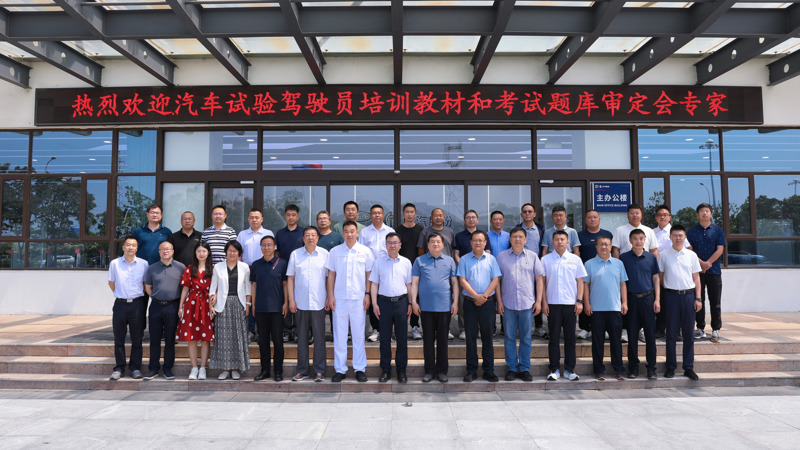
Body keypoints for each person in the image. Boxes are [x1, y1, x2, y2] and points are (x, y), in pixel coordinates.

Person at [326, 221, 376, 382]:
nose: (349, 234)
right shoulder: (335, 251)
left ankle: (359, 368)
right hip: (339, 299)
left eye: (352, 231)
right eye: (346, 231)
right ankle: (340, 369)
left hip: (359, 299)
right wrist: (330, 296)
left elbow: (369, 274)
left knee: (358, 335)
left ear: (357, 233)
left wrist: (367, 294)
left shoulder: (365, 251)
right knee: (339, 336)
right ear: (342, 233)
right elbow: (331, 275)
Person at [495, 226, 543, 382]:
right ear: (510, 239)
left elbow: (539, 279)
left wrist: (539, 301)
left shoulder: (533, 256)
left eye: (520, 237)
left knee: (526, 338)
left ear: (525, 239)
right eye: (514, 236)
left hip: (527, 304)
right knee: (509, 337)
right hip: (508, 304)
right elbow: (497, 281)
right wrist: (499, 301)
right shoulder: (501, 257)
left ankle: (524, 368)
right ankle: (511, 368)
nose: (517, 239)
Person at [410, 233, 458, 383]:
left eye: (438, 242)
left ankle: (442, 371)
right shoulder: (419, 260)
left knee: (443, 340)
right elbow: (414, 283)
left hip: (444, 307)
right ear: (428, 244)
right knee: (428, 340)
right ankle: (429, 370)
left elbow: (455, 283)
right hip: (426, 307)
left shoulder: (449, 260)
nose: (435, 244)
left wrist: (455, 302)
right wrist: (413, 302)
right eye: (432, 242)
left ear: (443, 245)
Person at [457, 230, 502, 383]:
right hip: (470, 302)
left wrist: (484, 297)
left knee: (487, 336)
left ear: (485, 243)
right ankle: (471, 370)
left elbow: (495, 279)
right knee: (470, 337)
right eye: (475, 240)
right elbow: (462, 280)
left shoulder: (491, 259)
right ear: (471, 242)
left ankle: (489, 370)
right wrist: (476, 296)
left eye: (480, 240)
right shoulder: (464, 259)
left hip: (487, 303)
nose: (478, 243)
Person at [541, 230, 587, 381]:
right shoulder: (545, 260)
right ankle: (554, 369)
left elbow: (580, 281)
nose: (560, 242)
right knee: (553, 338)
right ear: (552, 242)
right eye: (557, 239)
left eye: (562, 239)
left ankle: (569, 369)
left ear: (568, 242)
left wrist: (579, 301)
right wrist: (544, 302)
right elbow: (542, 283)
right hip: (552, 304)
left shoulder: (575, 259)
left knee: (570, 338)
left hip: (570, 304)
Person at [658, 224, 702, 381]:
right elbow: (661, 277)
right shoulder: (664, 255)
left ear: (685, 237)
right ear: (670, 237)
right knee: (670, 333)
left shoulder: (691, 255)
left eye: (680, 235)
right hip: (671, 297)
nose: (678, 238)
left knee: (689, 334)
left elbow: (696, 278)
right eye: (675, 235)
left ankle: (688, 367)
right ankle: (670, 366)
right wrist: (669, 289)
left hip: (688, 297)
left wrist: (698, 298)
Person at [287, 227, 330, 382]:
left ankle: (319, 371)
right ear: (303, 237)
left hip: (319, 301)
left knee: (319, 338)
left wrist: (329, 297)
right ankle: (302, 371)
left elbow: (328, 278)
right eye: (307, 235)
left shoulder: (325, 254)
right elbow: (290, 278)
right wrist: (291, 300)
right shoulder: (295, 254)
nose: (310, 238)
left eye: (313, 235)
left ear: (318, 238)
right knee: (302, 338)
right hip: (300, 302)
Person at [612, 203, 658, 343]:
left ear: (641, 214)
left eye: (637, 213)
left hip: (644, 268)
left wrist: (652, 267)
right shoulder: (620, 230)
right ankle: (626, 330)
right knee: (628, 303)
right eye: (632, 213)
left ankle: (642, 331)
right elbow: (615, 250)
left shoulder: (648, 231)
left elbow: (654, 250)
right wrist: (617, 268)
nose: (634, 215)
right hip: (626, 267)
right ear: (627, 215)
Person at [583, 236, 628, 381]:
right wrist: (587, 303)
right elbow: (585, 285)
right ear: (596, 247)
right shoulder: (589, 264)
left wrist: (624, 302)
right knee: (597, 342)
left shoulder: (618, 264)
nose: (604, 247)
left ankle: (618, 369)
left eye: (607, 244)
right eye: (601, 244)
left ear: (611, 247)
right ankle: (599, 370)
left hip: (614, 308)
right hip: (596, 309)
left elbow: (623, 284)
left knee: (616, 341)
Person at [370, 232, 412, 383]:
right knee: (384, 339)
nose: (392, 245)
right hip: (384, 303)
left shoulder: (406, 262)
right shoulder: (378, 262)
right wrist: (374, 304)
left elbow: (409, 285)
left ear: (400, 245)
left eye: (395, 242)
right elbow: (374, 284)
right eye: (389, 242)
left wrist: (410, 303)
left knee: (402, 338)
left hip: (401, 302)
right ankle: (385, 369)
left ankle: (401, 370)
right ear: (385, 245)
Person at [620, 229, 661, 380]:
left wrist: (657, 299)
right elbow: (622, 282)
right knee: (632, 335)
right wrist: (624, 302)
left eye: (641, 238)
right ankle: (633, 367)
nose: (638, 241)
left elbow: (656, 278)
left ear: (645, 240)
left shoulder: (651, 257)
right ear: (630, 241)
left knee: (650, 336)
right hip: (631, 300)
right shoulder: (624, 258)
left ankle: (652, 368)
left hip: (648, 299)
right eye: (635, 238)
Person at [107, 236, 148, 380]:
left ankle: (135, 368)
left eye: (133, 245)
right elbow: (111, 283)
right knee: (119, 338)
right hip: (120, 304)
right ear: (123, 247)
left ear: (137, 248)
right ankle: (119, 368)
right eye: (128, 245)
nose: (131, 247)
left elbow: (145, 284)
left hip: (137, 304)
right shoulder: (115, 263)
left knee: (137, 338)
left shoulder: (143, 264)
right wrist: (121, 295)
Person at [209, 241, 252, 380]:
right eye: (230, 250)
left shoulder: (244, 267)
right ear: (226, 252)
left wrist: (248, 304)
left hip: (239, 304)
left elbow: (248, 288)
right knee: (223, 338)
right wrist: (211, 304)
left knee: (238, 337)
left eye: (235, 251)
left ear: (239, 253)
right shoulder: (218, 267)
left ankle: (235, 368)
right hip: (222, 305)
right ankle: (225, 369)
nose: (232, 253)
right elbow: (213, 288)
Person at [143, 241, 185, 381]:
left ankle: (167, 368)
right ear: (159, 252)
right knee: (154, 339)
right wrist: (157, 298)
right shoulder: (152, 268)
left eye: (168, 249)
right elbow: (148, 287)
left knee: (170, 339)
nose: (165, 251)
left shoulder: (181, 267)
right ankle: (153, 368)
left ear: (173, 251)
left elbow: (185, 288)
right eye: (162, 249)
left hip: (173, 307)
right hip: (156, 306)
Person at [250, 235, 288, 382]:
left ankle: (278, 371)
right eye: (264, 245)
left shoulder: (281, 263)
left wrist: (286, 303)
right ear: (260, 247)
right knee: (263, 342)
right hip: (260, 308)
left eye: (269, 245)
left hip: (277, 308)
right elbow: (254, 285)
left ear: (274, 247)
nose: (266, 248)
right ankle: (265, 370)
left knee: (278, 341)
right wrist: (253, 304)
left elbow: (285, 284)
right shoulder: (256, 265)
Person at [687, 202, 726, 342]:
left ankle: (716, 329)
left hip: (714, 271)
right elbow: (689, 251)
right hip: (697, 272)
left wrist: (707, 263)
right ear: (697, 214)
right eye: (702, 211)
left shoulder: (717, 231)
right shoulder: (691, 232)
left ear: (711, 214)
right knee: (698, 300)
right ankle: (700, 328)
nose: (704, 213)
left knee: (715, 301)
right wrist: (701, 264)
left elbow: (720, 249)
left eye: (707, 211)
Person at [453, 210, 493, 340]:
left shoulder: (483, 235)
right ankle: (464, 329)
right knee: (464, 301)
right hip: (465, 273)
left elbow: (488, 252)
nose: (471, 219)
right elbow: (456, 254)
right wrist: (464, 267)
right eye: (468, 217)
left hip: (482, 272)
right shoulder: (459, 236)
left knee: (482, 299)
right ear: (465, 220)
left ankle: (481, 329)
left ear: (477, 219)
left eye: (473, 217)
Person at [177, 242, 214, 380]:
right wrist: (181, 306)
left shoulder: (214, 269)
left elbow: (217, 287)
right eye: (199, 251)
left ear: (208, 253)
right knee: (191, 338)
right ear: (195, 253)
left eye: (204, 251)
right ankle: (194, 367)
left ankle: (203, 368)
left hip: (207, 303)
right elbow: (185, 288)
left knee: (205, 338)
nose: (201, 254)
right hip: (191, 304)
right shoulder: (189, 269)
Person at [359, 204, 395, 342]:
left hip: (387, 269)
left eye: (379, 213)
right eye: (374, 213)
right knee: (373, 298)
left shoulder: (390, 231)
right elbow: (361, 252)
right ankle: (376, 329)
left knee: (387, 299)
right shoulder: (365, 232)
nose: (377, 215)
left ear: (383, 215)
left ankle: (387, 330)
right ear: (370, 216)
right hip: (371, 270)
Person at [238, 208, 274, 342]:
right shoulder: (242, 234)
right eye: (252, 217)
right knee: (249, 298)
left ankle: (263, 330)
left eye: (257, 217)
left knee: (263, 298)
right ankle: (250, 330)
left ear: (262, 219)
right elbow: (238, 253)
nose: (254, 220)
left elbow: (273, 252)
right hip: (247, 269)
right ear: (248, 219)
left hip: (265, 268)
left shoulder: (268, 233)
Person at [576, 209, 613, 340]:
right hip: (585, 271)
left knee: (602, 298)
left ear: (599, 219)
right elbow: (577, 253)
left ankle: (605, 328)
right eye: (589, 217)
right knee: (585, 298)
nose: (592, 219)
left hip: (603, 271)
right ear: (585, 220)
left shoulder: (607, 234)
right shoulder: (580, 235)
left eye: (595, 217)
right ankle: (585, 328)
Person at [652, 205, 687, 339]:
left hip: (673, 270)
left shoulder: (675, 232)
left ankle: (676, 330)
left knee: (674, 303)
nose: (662, 217)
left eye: (665, 215)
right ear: (656, 218)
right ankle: (660, 329)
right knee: (660, 300)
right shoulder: (651, 232)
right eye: (660, 215)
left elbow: (687, 247)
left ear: (670, 217)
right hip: (656, 271)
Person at [516, 203, 547, 338]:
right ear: (521, 214)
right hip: (520, 266)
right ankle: (520, 326)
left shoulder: (540, 229)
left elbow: (543, 247)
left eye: (530, 211)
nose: (527, 214)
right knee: (521, 295)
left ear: (534, 214)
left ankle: (538, 326)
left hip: (535, 265)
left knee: (536, 295)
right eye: (525, 211)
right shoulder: (517, 229)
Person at [396, 203, 424, 341]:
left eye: (412, 212)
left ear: (415, 214)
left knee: (415, 297)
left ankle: (414, 326)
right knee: (401, 297)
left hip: (416, 267)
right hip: (400, 267)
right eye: (407, 212)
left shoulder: (420, 230)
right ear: (403, 214)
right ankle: (400, 327)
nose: (409, 214)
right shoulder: (397, 230)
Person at [276, 204, 303, 343]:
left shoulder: (303, 232)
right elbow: (277, 253)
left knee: (297, 300)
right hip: (283, 271)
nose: (291, 217)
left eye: (293, 215)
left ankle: (298, 331)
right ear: (285, 216)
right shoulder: (280, 233)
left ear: (298, 216)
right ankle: (286, 331)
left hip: (299, 272)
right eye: (288, 215)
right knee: (285, 300)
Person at [315, 210, 342, 342]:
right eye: (320, 219)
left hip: (334, 277)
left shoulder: (337, 237)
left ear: (330, 221)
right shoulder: (314, 237)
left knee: (334, 304)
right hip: (317, 277)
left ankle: (335, 332)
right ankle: (316, 333)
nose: (323, 221)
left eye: (325, 218)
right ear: (317, 222)